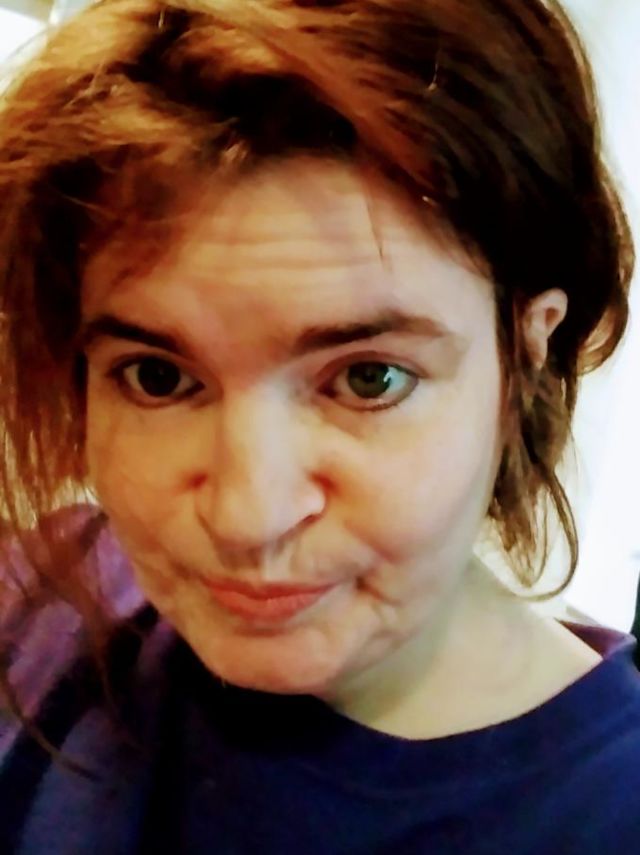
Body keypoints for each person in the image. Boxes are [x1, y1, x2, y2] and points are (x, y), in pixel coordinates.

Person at [0, 0, 638, 851]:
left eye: (368, 379)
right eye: (159, 377)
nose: (247, 517)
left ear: (526, 350)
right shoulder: (42, 598)